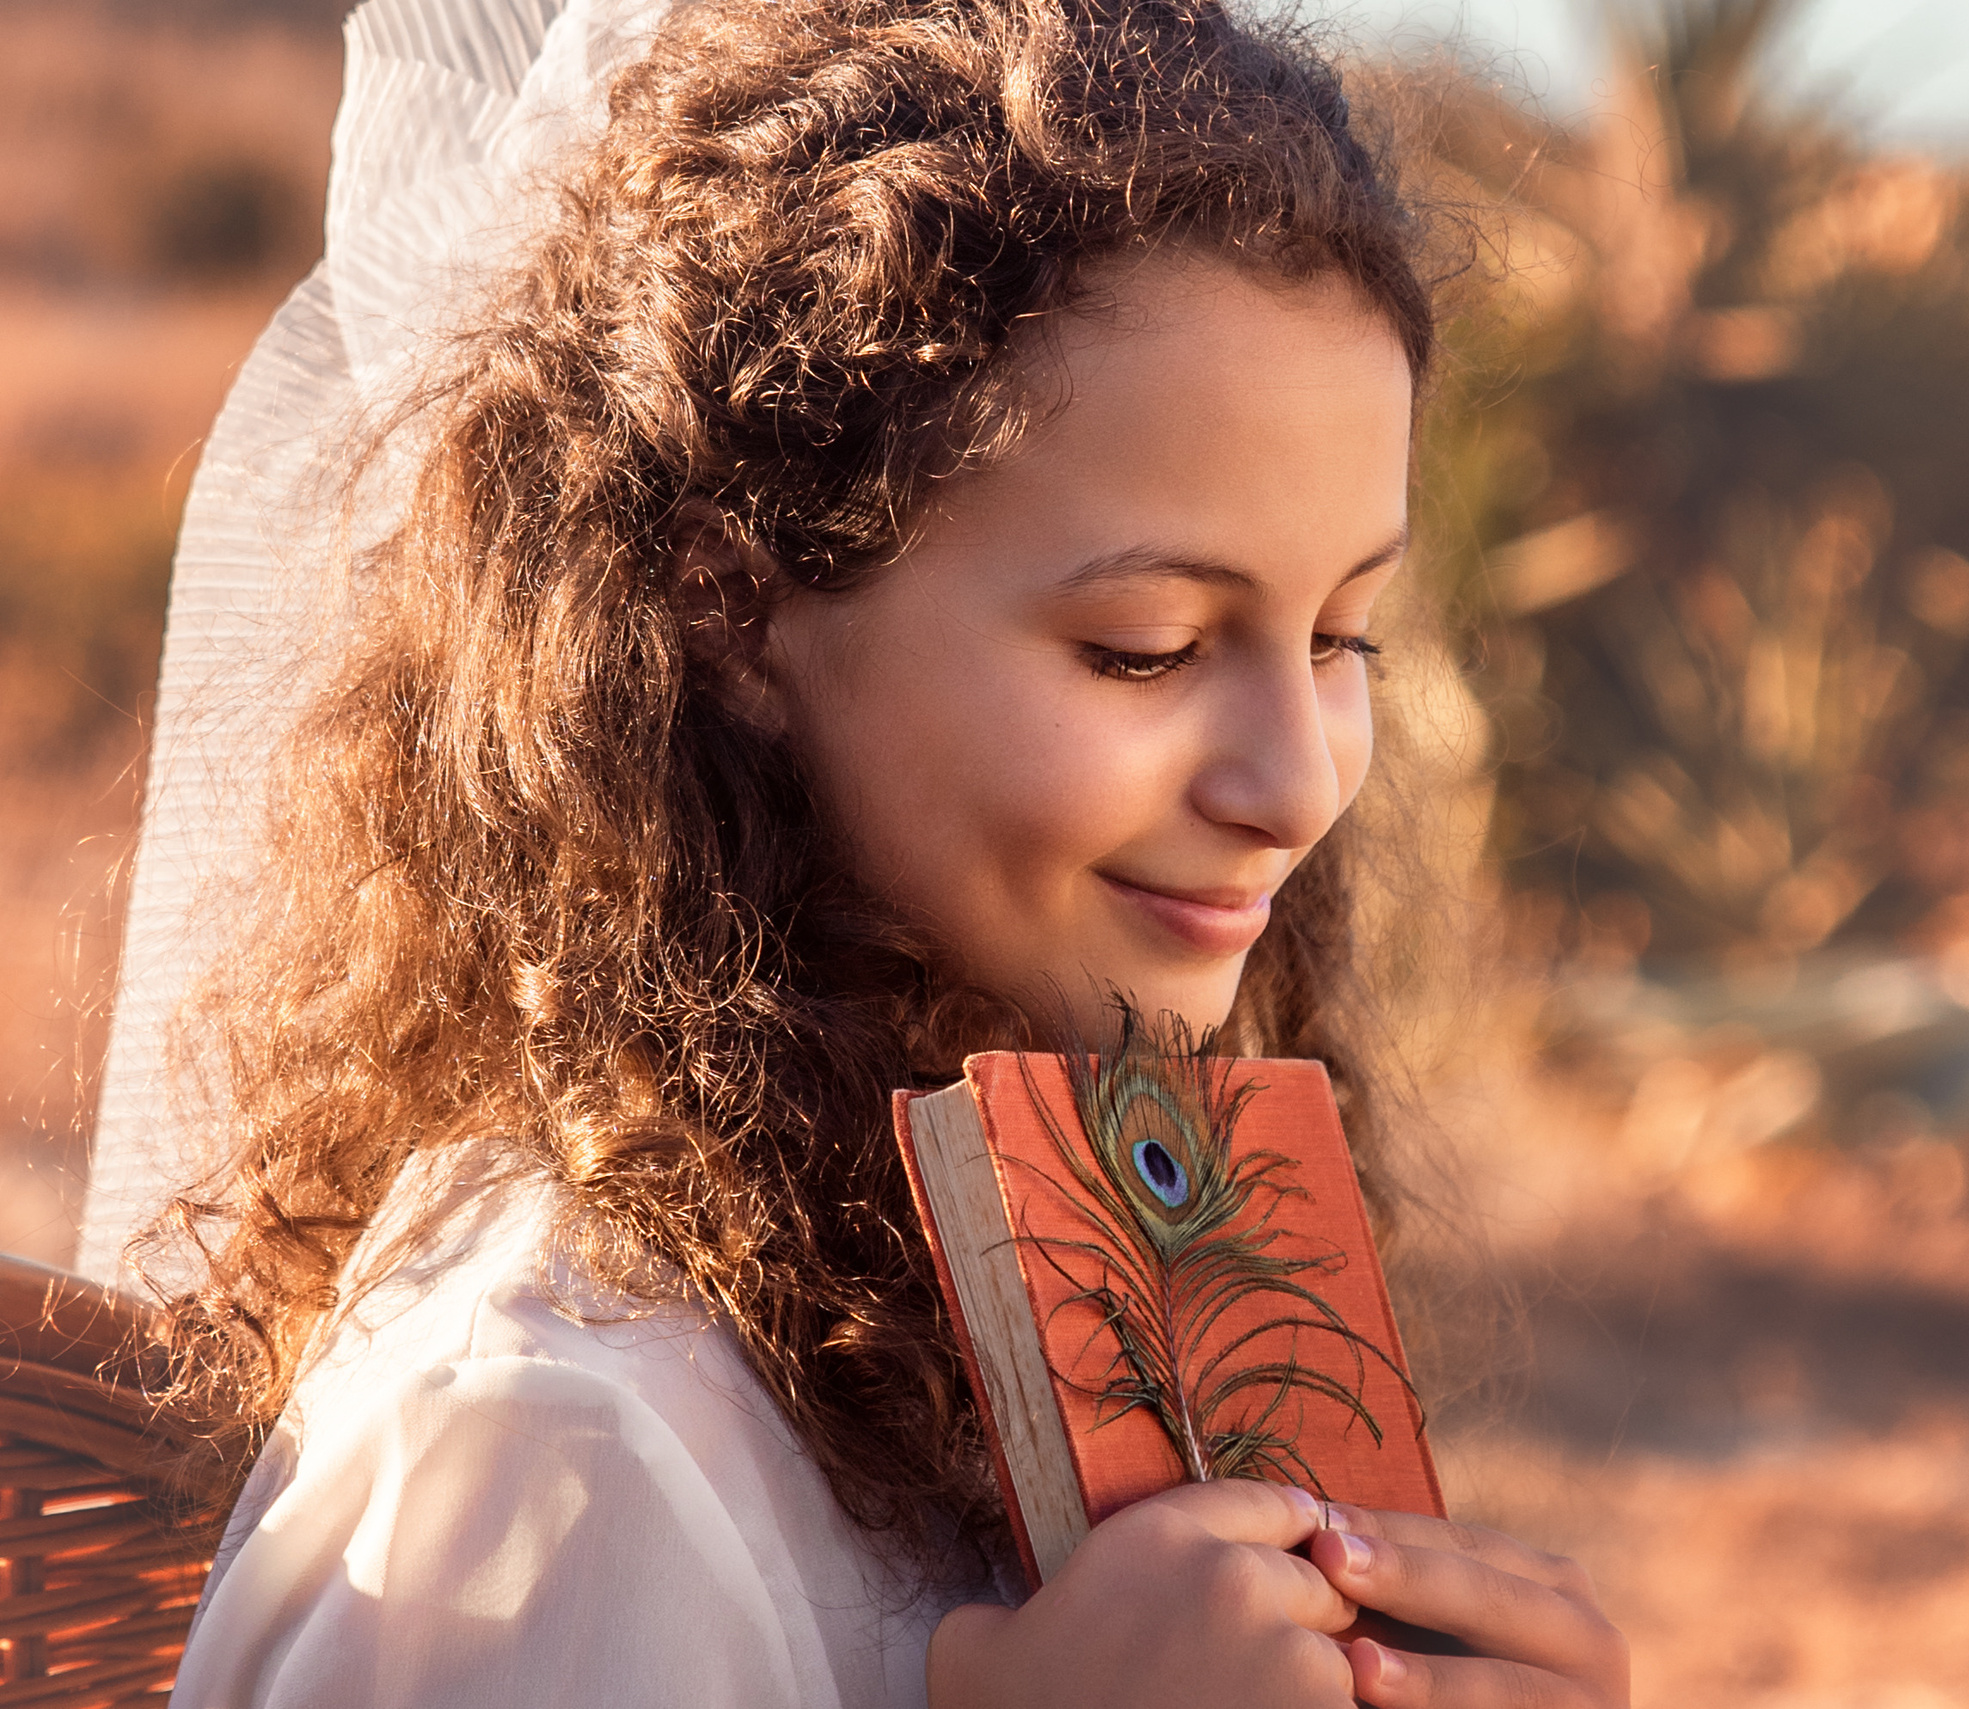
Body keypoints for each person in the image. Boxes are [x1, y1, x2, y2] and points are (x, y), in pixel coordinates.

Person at [136, 0, 1630, 1704]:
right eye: (1146, 646)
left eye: (1344, 637)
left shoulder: (998, 1276)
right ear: (737, 611)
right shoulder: (551, 1438)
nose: (1298, 785)